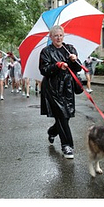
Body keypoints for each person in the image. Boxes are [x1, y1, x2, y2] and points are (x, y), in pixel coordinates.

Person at [39, 25, 82, 159]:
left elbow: (77, 68)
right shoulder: (46, 51)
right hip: (53, 89)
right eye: (56, 35)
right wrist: (57, 66)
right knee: (62, 116)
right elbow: (44, 70)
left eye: (61, 35)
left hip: (67, 88)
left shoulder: (69, 49)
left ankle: (52, 131)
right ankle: (67, 146)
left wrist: (74, 60)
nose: (58, 38)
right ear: (51, 37)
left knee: (66, 116)